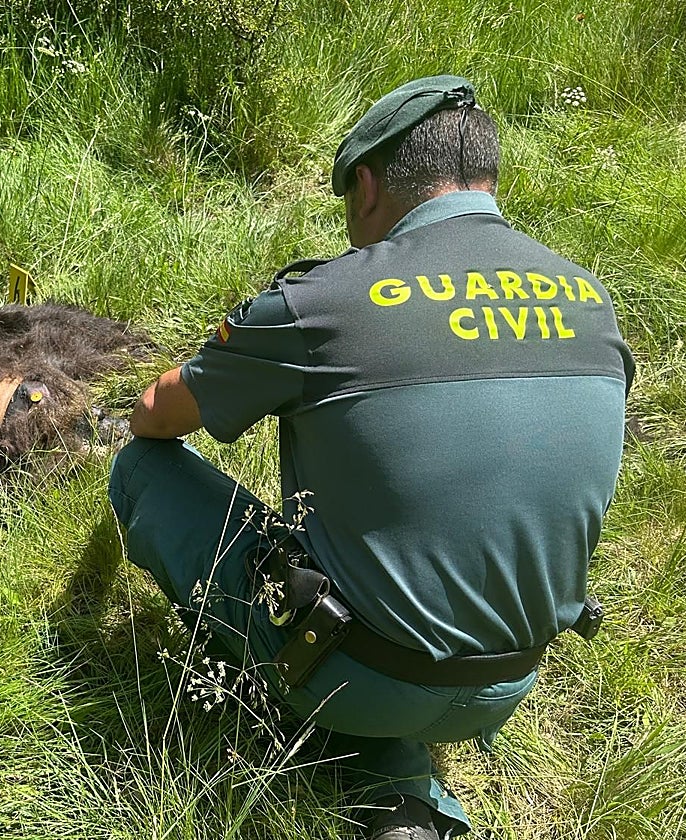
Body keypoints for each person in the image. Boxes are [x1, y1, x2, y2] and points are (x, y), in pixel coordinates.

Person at [108, 76, 633, 839]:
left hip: (357, 675)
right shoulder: (592, 300)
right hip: (511, 677)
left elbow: (154, 416)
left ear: (367, 186)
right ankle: (405, 796)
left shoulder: (325, 300)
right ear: (486, 177)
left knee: (140, 472)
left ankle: (358, 745)